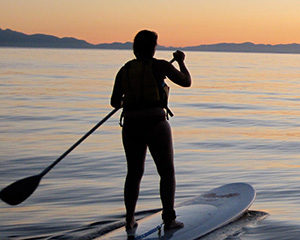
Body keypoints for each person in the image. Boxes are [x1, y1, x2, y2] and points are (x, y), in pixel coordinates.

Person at [110, 30, 191, 231]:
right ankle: (169, 219)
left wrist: (128, 100)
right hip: (156, 123)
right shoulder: (160, 66)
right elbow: (186, 82)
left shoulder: (125, 70)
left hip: (131, 125)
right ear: (153, 48)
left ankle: (129, 220)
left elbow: (114, 102)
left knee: (134, 173)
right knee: (166, 172)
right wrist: (181, 62)